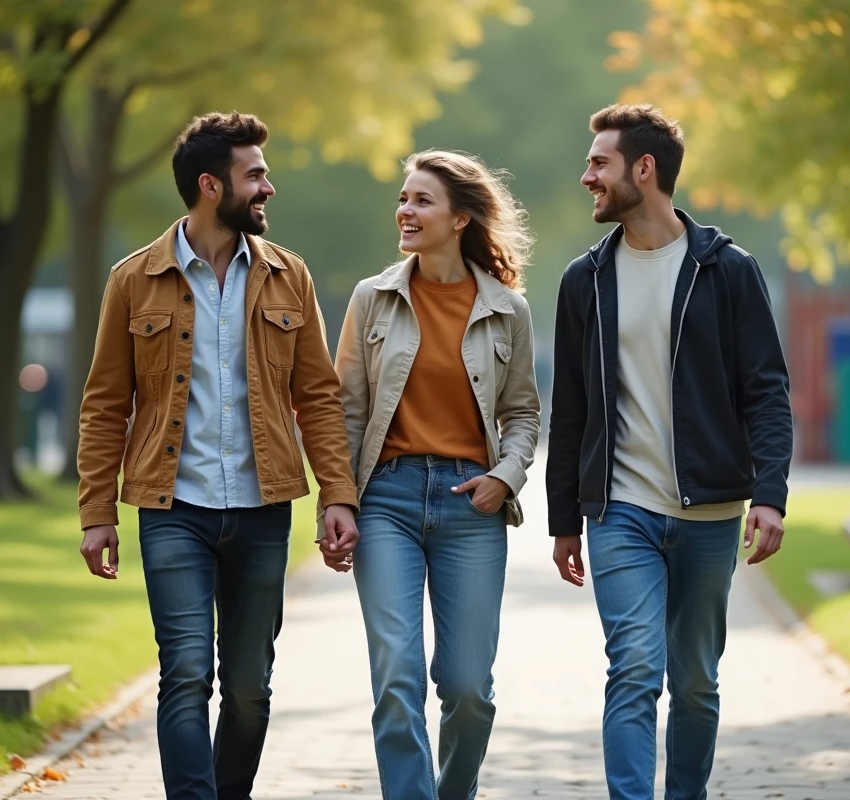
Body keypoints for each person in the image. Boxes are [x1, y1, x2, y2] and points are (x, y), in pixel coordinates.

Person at [76, 111, 359, 800]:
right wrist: (96, 512)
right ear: (211, 186)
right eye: (254, 175)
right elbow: (105, 404)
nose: (268, 187)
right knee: (185, 674)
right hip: (172, 508)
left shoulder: (289, 275)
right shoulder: (133, 279)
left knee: (249, 687)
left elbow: (318, 397)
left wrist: (338, 494)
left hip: (263, 509)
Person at [546, 104, 793, 799]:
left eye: (600, 163)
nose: (587, 176)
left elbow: (767, 391)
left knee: (695, 681)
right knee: (633, 667)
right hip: (621, 510)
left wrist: (770, 494)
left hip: (709, 513)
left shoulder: (728, 270)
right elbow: (572, 409)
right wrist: (564, 519)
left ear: (644, 169)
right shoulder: (585, 279)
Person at [327, 149, 541, 800]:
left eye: (422, 200)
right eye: (404, 198)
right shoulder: (372, 299)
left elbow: (523, 412)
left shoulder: (507, 309)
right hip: (386, 500)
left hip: (472, 505)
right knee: (397, 676)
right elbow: (345, 409)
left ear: (460, 218)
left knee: (470, 689)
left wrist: (506, 477)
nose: (405, 210)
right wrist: (337, 501)